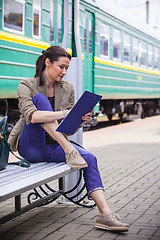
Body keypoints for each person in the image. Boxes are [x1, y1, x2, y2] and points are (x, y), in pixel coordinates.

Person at [8, 45, 129, 232]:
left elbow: (68, 129)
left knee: (89, 158)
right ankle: (69, 150)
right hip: (31, 146)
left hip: (55, 145)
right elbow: (32, 116)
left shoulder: (67, 89)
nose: (64, 72)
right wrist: (65, 113)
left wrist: (79, 120)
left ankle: (105, 214)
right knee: (40, 100)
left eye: (67, 68)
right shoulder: (27, 85)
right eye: (61, 67)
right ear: (47, 63)